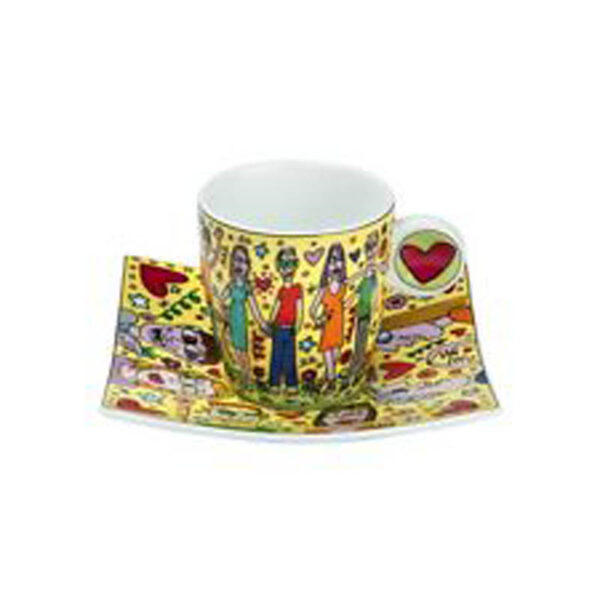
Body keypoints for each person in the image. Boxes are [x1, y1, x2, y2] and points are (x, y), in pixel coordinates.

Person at [220, 245, 267, 384]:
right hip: (232, 317)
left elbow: (254, 308)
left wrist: (263, 325)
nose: (240, 265)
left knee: (242, 347)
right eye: (237, 260)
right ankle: (240, 374)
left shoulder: (246, 287)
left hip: (241, 318)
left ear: (248, 266)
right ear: (231, 263)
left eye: (244, 261)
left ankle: (247, 376)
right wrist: (224, 313)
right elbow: (221, 300)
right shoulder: (231, 285)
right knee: (234, 346)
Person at [310, 242, 350, 391]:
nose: (335, 264)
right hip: (328, 322)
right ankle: (331, 380)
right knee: (327, 350)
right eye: (332, 260)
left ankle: (328, 377)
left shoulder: (343, 285)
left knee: (336, 352)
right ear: (327, 265)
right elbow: (312, 309)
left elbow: (355, 281)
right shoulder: (324, 288)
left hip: (339, 322)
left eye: (339, 259)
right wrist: (318, 319)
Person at [267, 247, 303, 392]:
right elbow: (276, 307)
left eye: (291, 263)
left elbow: (300, 308)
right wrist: (269, 323)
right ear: (278, 268)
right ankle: (274, 383)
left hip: (290, 329)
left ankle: (291, 383)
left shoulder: (297, 288)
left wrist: (298, 325)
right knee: (276, 356)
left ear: (296, 265)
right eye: (283, 264)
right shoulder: (281, 290)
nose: (287, 268)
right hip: (278, 328)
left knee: (289, 356)